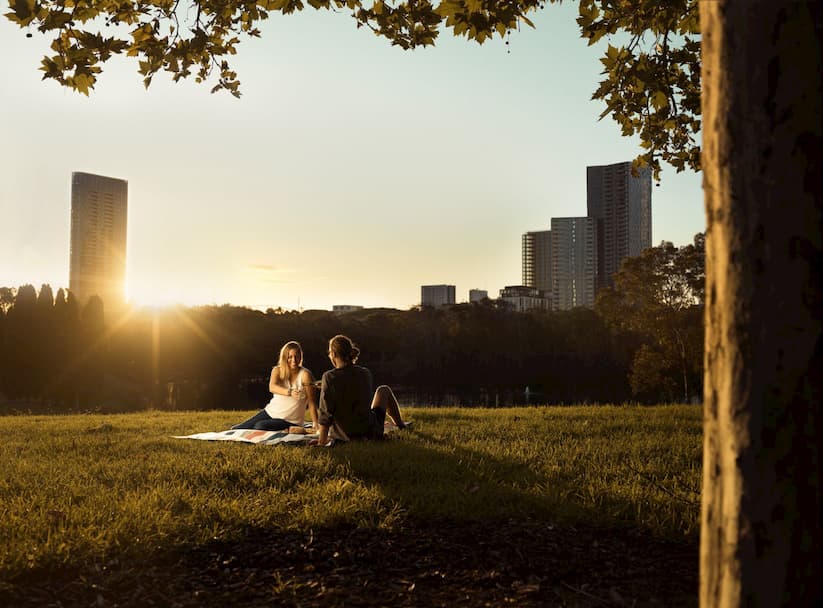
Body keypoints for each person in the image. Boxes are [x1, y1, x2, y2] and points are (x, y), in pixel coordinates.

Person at [311, 334, 406, 446]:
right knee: (383, 390)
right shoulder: (365, 373)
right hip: (369, 431)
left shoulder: (328, 377)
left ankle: (399, 425)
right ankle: (400, 424)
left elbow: (325, 413)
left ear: (333, 354)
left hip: (344, 436)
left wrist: (322, 441)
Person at [232, 341, 319, 433]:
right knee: (236, 430)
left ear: (300, 356)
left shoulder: (305, 375)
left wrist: (315, 423)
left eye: (297, 356)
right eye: (290, 357)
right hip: (270, 412)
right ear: (285, 357)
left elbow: (312, 402)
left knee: (260, 426)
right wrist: (290, 392)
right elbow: (272, 387)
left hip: (290, 421)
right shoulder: (277, 370)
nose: (294, 360)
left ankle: (288, 429)